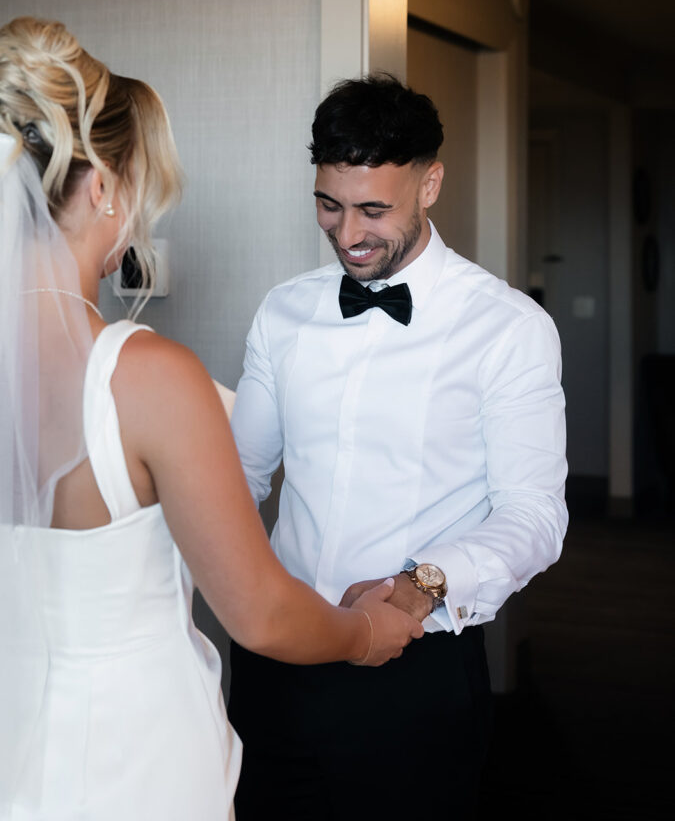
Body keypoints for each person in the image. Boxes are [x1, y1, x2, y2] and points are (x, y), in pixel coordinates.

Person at [0, 20, 423, 821]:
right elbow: (257, 612)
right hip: (128, 749)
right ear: (103, 186)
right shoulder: (147, 375)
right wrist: (364, 633)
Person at [228, 74, 569, 820]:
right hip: (277, 656)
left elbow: (533, 514)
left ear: (429, 183)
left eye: (373, 210)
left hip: (413, 667)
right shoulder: (282, 312)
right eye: (329, 204)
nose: (348, 235)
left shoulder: (507, 328)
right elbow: (238, 476)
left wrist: (421, 588)